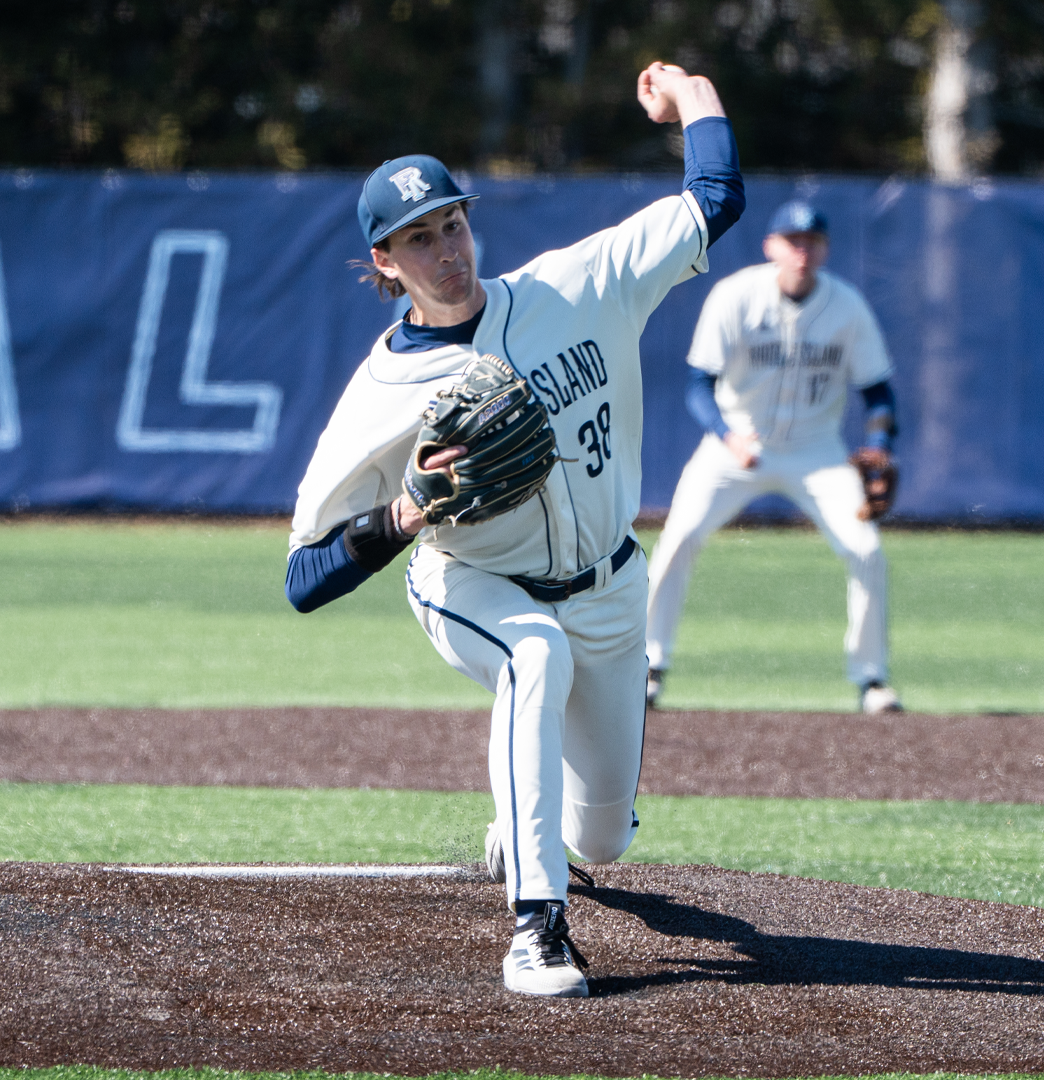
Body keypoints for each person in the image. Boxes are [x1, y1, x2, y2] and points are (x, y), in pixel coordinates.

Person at [282, 62, 743, 998]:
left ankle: (525, 817)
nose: (446, 249)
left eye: (452, 222)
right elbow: (303, 577)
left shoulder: (576, 287)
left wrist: (691, 95)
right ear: (384, 261)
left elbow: (714, 197)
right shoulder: (378, 398)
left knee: (604, 837)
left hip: (611, 587)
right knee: (534, 655)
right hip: (472, 584)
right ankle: (538, 930)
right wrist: (404, 513)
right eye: (418, 238)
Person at [643, 200, 902, 714]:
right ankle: (649, 667)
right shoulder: (736, 296)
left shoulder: (846, 307)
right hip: (736, 444)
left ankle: (872, 679)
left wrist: (880, 446)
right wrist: (724, 433)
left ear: (825, 249)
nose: (803, 251)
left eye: (813, 242)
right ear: (771, 247)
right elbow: (699, 383)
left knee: (866, 550)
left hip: (818, 452)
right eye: (793, 241)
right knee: (678, 538)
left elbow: (879, 394)